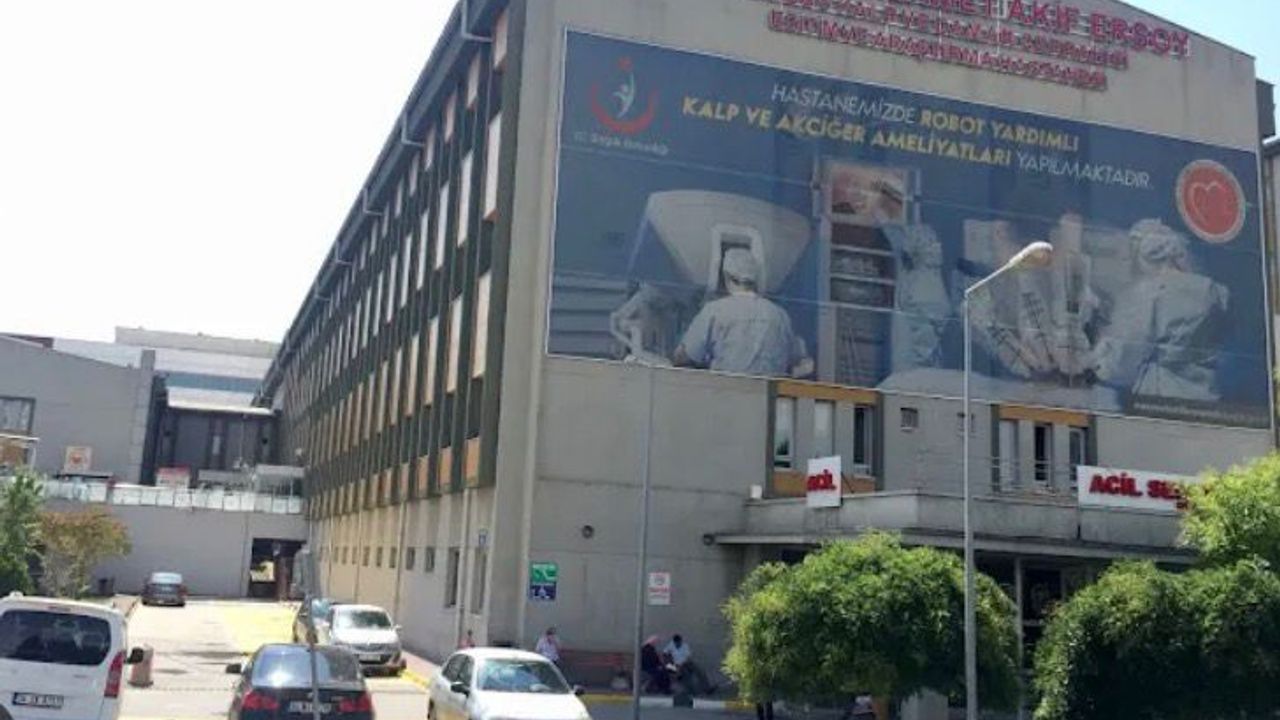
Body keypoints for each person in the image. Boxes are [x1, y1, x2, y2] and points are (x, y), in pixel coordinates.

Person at [673, 248, 812, 378]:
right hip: (769, 394)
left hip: (727, 391)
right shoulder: (780, 316)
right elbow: (799, 361)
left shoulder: (715, 310)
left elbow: (683, 357)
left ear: (726, 276)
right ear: (756, 279)